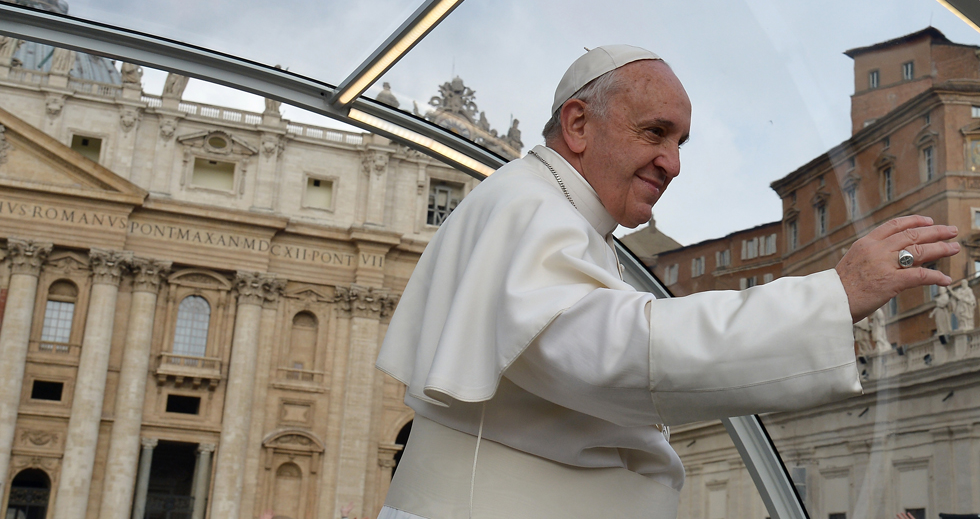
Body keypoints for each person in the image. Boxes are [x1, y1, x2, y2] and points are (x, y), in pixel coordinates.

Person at [375, 46, 960, 519]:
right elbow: (615, 352)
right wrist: (833, 294)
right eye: (655, 133)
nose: (674, 164)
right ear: (578, 124)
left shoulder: (562, 216)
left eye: (680, 143)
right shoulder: (529, 206)